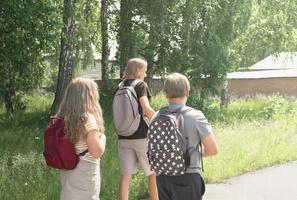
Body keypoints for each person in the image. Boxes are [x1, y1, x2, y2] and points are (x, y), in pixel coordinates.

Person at [155, 73, 218, 200]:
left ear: (166, 94)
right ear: (187, 92)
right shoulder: (196, 116)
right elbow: (212, 149)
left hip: (162, 177)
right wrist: (192, 154)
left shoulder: (156, 117)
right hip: (187, 177)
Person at [116, 58, 158, 200]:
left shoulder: (120, 86)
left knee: (126, 177)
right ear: (138, 70)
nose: (145, 74)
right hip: (141, 137)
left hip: (123, 137)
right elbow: (146, 108)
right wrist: (158, 121)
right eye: (144, 70)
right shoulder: (140, 85)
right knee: (152, 173)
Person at [57, 77, 106, 200]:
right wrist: (103, 138)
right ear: (88, 97)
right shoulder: (87, 119)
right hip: (85, 170)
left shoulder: (63, 118)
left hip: (67, 169)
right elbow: (96, 152)